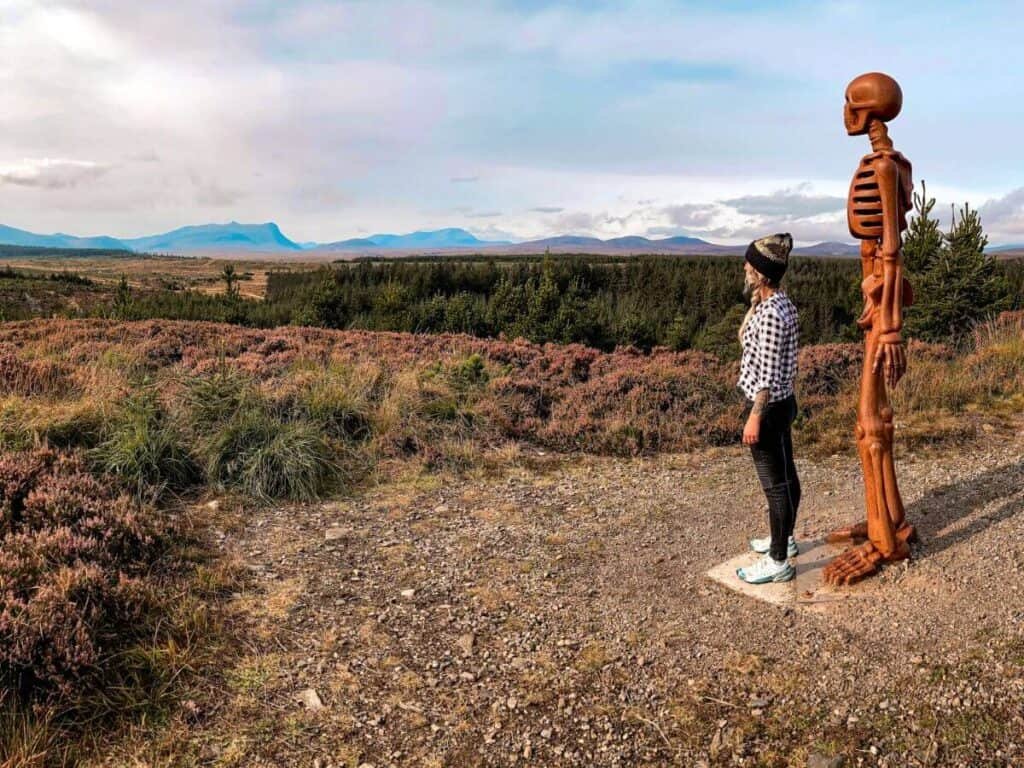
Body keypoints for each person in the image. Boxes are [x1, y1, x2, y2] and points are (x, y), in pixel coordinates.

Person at [734, 233, 801, 585]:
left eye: (750, 264)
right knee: (787, 477)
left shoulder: (772, 315)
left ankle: (778, 561)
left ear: (762, 273)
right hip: (782, 404)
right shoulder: (779, 304)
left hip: (770, 407)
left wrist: (754, 416)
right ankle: (784, 541)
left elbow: (769, 375)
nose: (745, 267)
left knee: (776, 486)